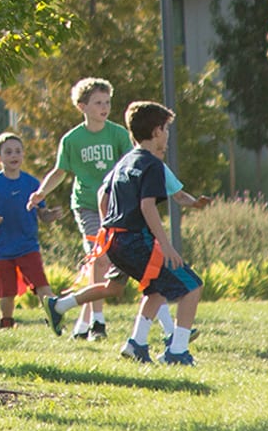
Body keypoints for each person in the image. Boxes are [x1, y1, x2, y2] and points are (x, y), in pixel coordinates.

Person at [45, 100, 200, 366]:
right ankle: (177, 352)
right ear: (156, 132)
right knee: (192, 287)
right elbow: (147, 206)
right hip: (137, 240)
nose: (167, 135)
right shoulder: (152, 164)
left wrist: (107, 227)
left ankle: (136, 344)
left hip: (116, 240)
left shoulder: (125, 161)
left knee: (154, 288)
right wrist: (166, 245)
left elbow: (102, 196)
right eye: (165, 129)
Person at [31, 76, 123, 340]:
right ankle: (97, 323)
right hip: (87, 206)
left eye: (107, 102)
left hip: (114, 206)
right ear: (82, 106)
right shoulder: (72, 139)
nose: (104, 108)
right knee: (98, 257)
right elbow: (60, 171)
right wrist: (41, 192)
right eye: (98, 103)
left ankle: (81, 327)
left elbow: (129, 165)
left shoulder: (118, 134)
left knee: (102, 264)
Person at [0, 131, 46, 329]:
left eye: (17, 151)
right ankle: (6, 323)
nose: (14, 156)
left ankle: (54, 318)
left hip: (27, 245)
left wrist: (50, 215)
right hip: (1, 248)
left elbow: (42, 212)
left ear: (23, 154)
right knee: (7, 292)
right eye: (8, 152)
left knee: (41, 284)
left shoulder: (32, 183)